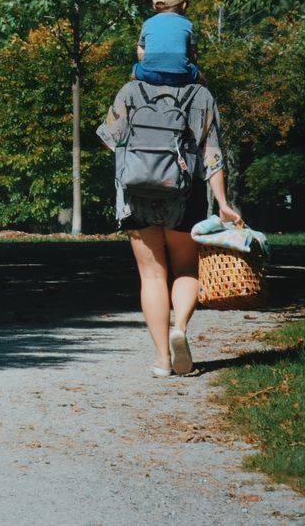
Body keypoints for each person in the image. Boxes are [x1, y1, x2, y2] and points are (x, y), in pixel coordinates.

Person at [96, 80, 240, 377]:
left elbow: (109, 139)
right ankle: (180, 329)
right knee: (187, 268)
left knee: (151, 275)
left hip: (137, 196)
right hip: (185, 196)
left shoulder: (130, 91)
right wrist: (223, 203)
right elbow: (212, 156)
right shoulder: (200, 95)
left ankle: (162, 359)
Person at [131, 0, 206, 87]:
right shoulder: (187, 24)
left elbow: (141, 49)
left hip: (150, 74)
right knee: (202, 81)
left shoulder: (148, 23)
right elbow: (192, 55)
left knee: (134, 71)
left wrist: (145, 63)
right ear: (184, 5)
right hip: (180, 76)